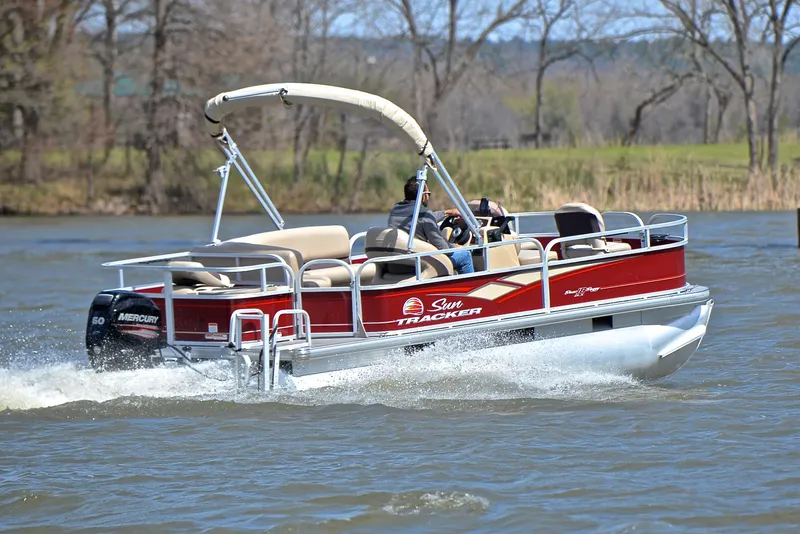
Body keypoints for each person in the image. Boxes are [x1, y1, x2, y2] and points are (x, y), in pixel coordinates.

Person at [387, 176, 475, 274]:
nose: (428, 197)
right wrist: (455, 246)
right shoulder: (424, 214)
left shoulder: (396, 210)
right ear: (423, 196)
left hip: (397, 264)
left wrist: (447, 212)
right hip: (417, 265)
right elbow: (444, 249)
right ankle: (470, 288)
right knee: (465, 255)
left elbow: (422, 218)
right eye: (428, 194)